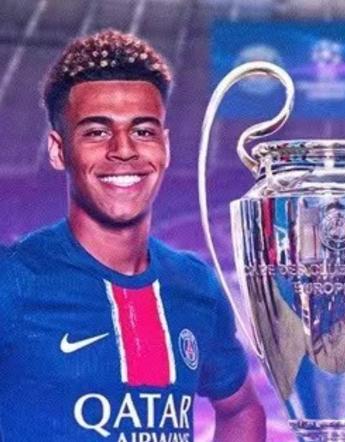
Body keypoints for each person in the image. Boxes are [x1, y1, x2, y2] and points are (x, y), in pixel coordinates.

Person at [0, 29, 266, 441]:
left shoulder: (195, 285)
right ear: (58, 150)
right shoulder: (12, 280)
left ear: (165, 146)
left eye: (143, 131)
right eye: (97, 132)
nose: (123, 149)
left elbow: (241, 410)